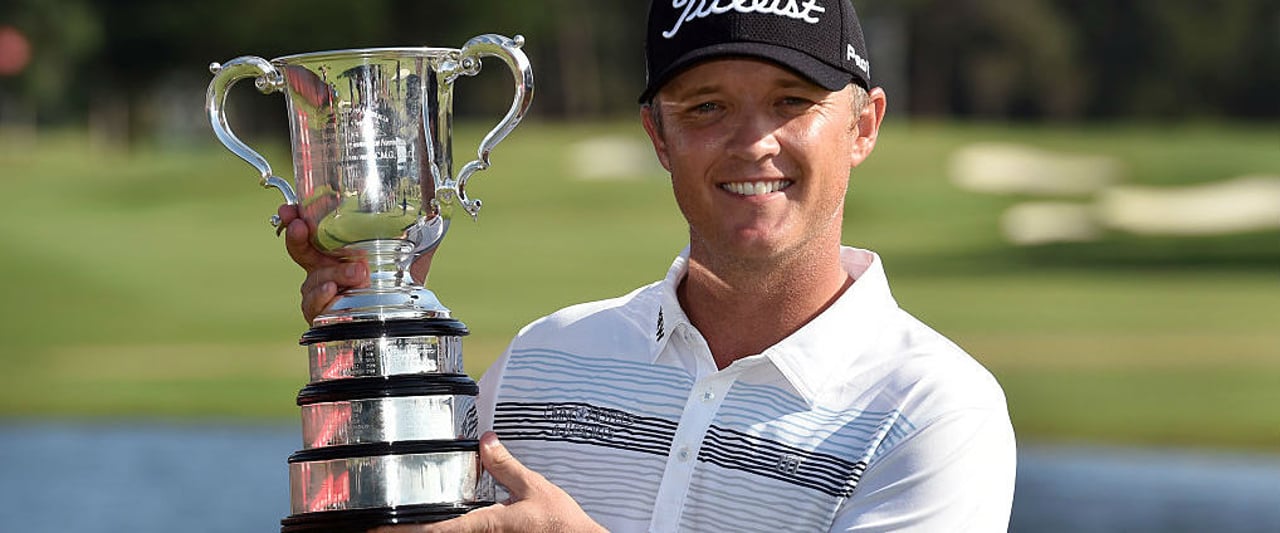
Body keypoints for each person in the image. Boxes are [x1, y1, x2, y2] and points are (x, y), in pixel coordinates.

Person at [280, 1, 1016, 531]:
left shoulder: (935, 413)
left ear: (863, 125)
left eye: (792, 102)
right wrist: (374, 335)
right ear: (657, 136)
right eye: (705, 108)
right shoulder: (541, 359)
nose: (753, 141)